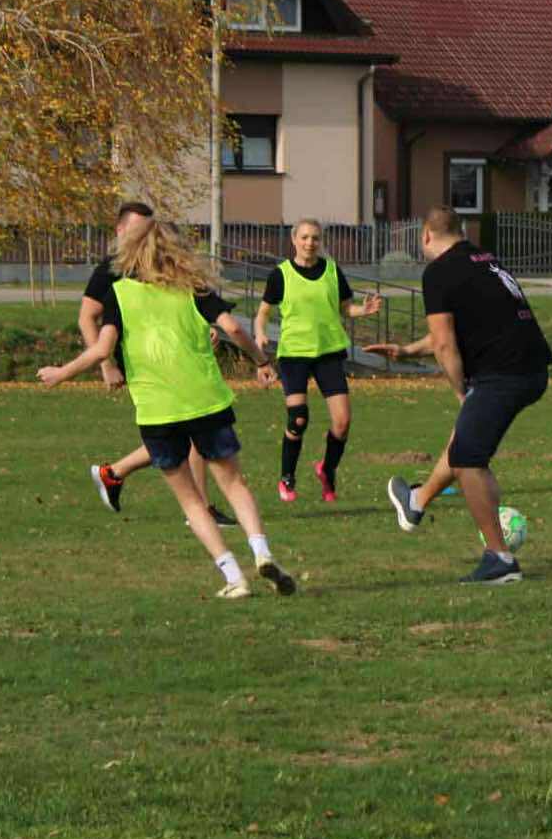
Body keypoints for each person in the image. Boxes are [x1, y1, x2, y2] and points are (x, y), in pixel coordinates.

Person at [38, 219, 297, 600]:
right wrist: (261, 360)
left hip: (157, 411)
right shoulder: (193, 287)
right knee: (234, 484)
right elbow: (234, 329)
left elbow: (102, 349)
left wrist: (62, 373)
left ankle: (234, 577)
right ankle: (262, 552)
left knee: (191, 501)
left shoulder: (119, 294)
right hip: (205, 400)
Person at [378, 207, 552, 584]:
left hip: (502, 374)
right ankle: (416, 502)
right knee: (465, 445)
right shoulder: (485, 260)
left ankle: (499, 559)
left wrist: (462, 392)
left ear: (426, 235)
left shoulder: (438, 272)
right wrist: (408, 351)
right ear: (461, 231)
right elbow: (464, 329)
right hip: (532, 368)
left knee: (467, 457)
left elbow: (445, 344)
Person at [80, 201, 236, 526]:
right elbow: (87, 317)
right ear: (121, 230)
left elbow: (174, 312)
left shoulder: (160, 263)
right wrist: (106, 365)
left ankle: (115, 473)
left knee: (182, 431)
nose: (148, 235)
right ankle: (200, 510)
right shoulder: (111, 269)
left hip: (174, 362)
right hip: (143, 368)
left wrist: (201, 331)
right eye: (139, 229)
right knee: (187, 429)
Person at [253, 219, 383, 504]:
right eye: (304, 237)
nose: (309, 243)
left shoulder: (333, 271)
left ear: (320, 241)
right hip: (294, 354)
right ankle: (287, 476)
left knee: (343, 422)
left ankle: (327, 469)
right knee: (298, 419)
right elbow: (263, 312)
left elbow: (345, 308)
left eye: (315, 238)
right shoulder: (281, 275)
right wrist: (260, 333)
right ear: (294, 239)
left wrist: (364, 310)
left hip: (328, 352)